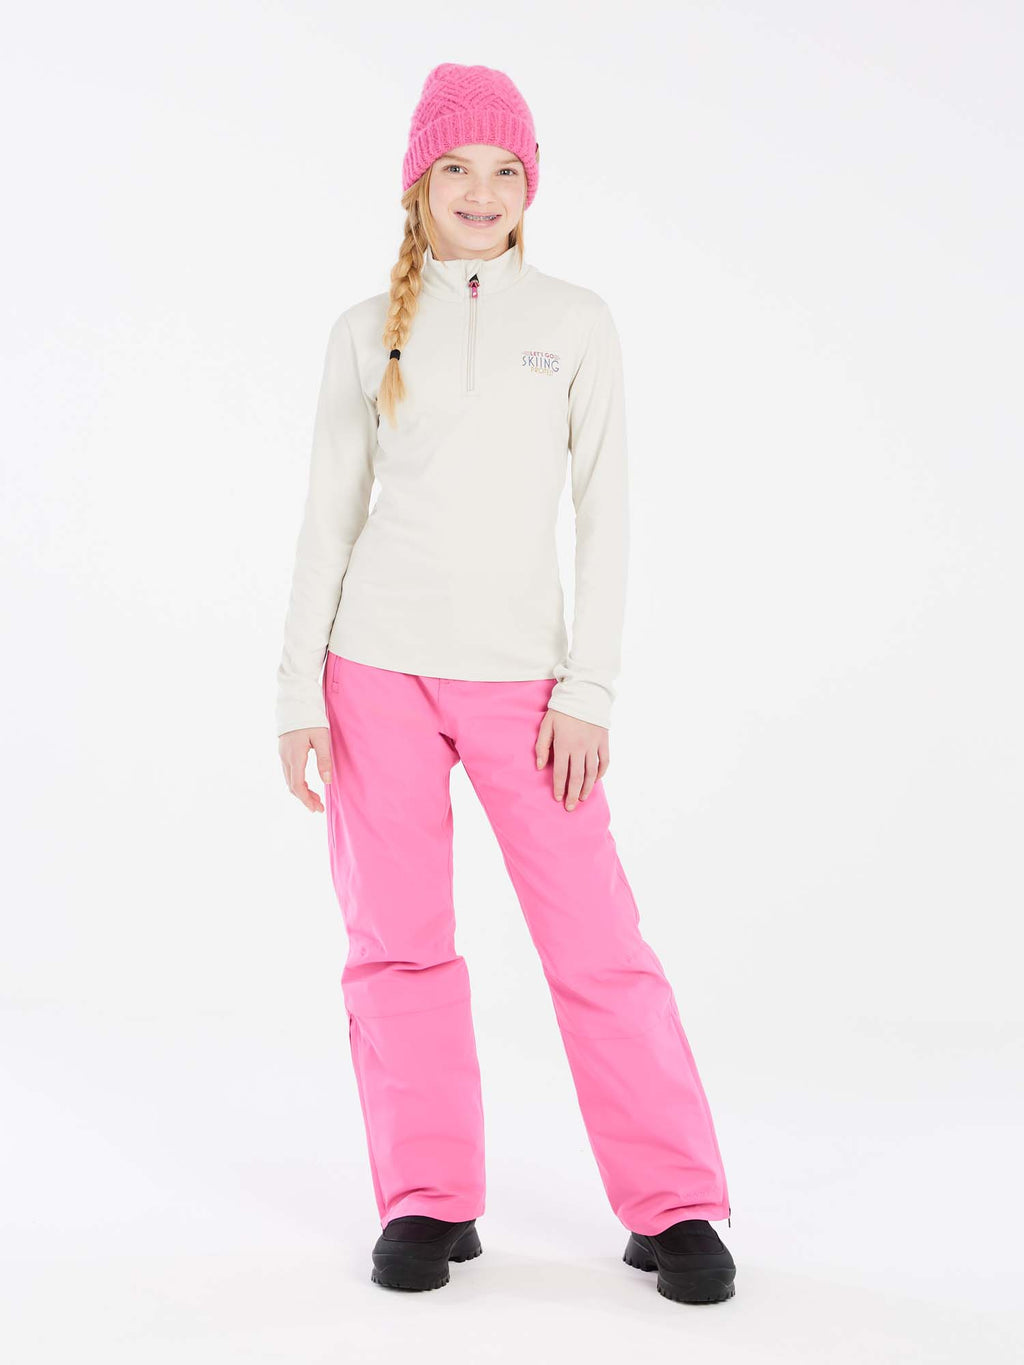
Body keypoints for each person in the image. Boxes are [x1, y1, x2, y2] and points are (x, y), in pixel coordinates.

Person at [275, 62, 736, 1304]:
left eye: (503, 170)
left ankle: (673, 1203)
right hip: (373, 672)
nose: (481, 191)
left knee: (597, 945)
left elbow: (608, 512)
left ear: (530, 185)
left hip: (527, 690)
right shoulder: (365, 329)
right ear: (417, 182)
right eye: (455, 168)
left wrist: (590, 689)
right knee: (398, 945)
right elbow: (328, 517)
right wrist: (297, 690)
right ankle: (427, 1197)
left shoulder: (575, 323)